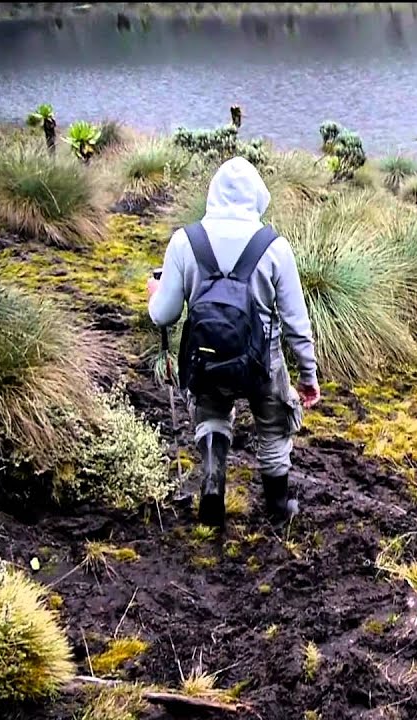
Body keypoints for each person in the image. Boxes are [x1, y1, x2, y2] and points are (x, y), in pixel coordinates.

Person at [148, 156, 321, 527]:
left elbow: (163, 315)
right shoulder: (274, 246)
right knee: (273, 425)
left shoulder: (184, 241)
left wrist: (155, 293)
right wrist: (308, 374)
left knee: (210, 413)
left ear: (213, 194)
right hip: (263, 361)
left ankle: (212, 489)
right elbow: (295, 321)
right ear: (257, 196)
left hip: (204, 356)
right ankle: (278, 507)